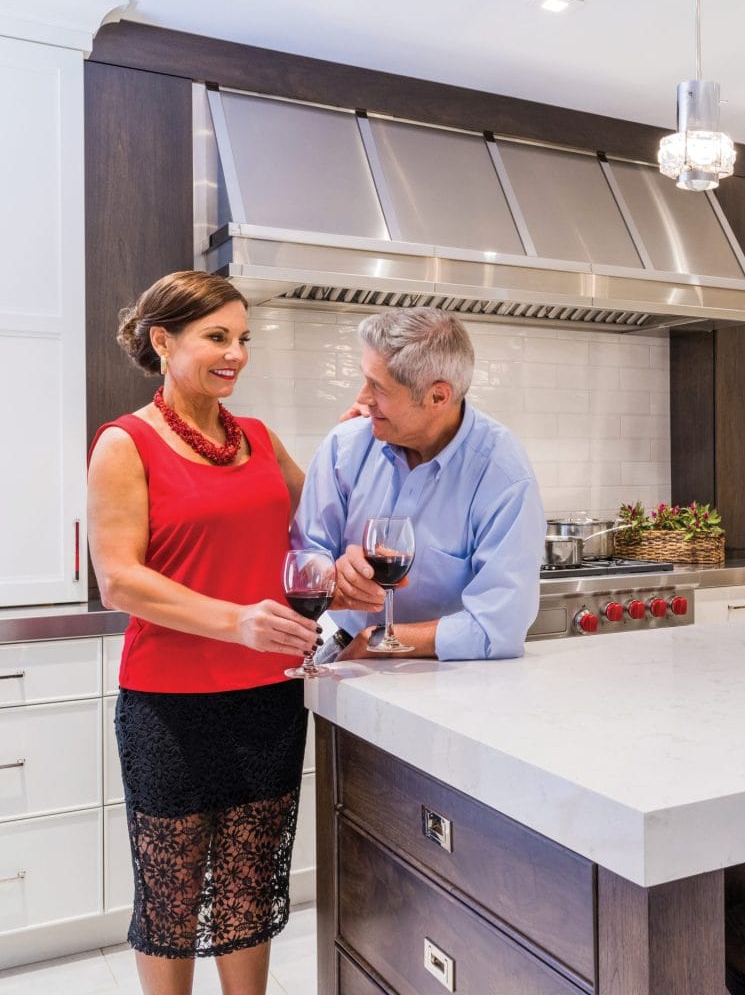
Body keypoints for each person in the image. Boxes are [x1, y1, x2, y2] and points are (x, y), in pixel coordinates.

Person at [87, 271, 318, 995]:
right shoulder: (124, 444)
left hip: (268, 698)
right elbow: (119, 579)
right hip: (170, 704)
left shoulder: (258, 438)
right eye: (217, 337)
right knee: (173, 893)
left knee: (251, 882)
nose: (236, 354)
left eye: (243, 338)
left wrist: (364, 445)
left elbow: (317, 531)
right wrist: (238, 621)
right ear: (163, 340)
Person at [292, 307, 545, 660]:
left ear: (437, 397)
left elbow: (500, 625)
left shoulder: (501, 473)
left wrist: (378, 639)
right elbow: (304, 556)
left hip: (453, 679)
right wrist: (333, 577)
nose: (362, 398)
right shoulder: (344, 447)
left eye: (377, 386)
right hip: (347, 659)